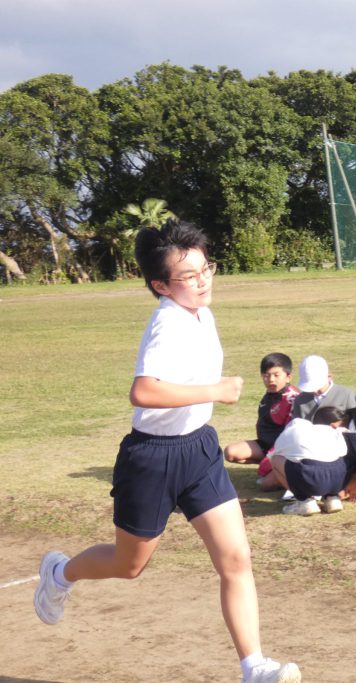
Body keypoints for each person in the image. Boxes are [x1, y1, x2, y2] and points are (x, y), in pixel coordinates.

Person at [33, 220, 300, 683]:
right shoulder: (167, 323)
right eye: (189, 275)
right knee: (129, 565)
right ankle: (59, 574)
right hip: (152, 458)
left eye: (206, 268)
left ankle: (254, 668)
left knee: (236, 559)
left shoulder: (201, 313)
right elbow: (143, 392)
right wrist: (215, 390)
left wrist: (209, 396)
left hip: (199, 450)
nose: (203, 280)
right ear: (160, 285)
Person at [269, 416, 356, 516]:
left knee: (275, 459)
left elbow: (273, 457)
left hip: (312, 478)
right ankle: (332, 499)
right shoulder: (329, 430)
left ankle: (304, 501)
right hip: (339, 480)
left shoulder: (287, 433)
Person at [223, 353, 299, 492]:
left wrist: (271, 457)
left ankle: (282, 471)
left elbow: (290, 436)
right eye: (266, 375)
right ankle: (274, 470)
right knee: (231, 452)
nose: (271, 379)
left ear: (288, 376)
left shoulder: (292, 399)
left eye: (276, 375)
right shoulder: (270, 394)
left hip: (284, 450)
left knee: (265, 485)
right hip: (266, 445)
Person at [290, 354, 356, 421]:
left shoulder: (346, 395)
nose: (314, 391)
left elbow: (354, 422)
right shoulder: (300, 400)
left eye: (318, 387)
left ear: (329, 376)